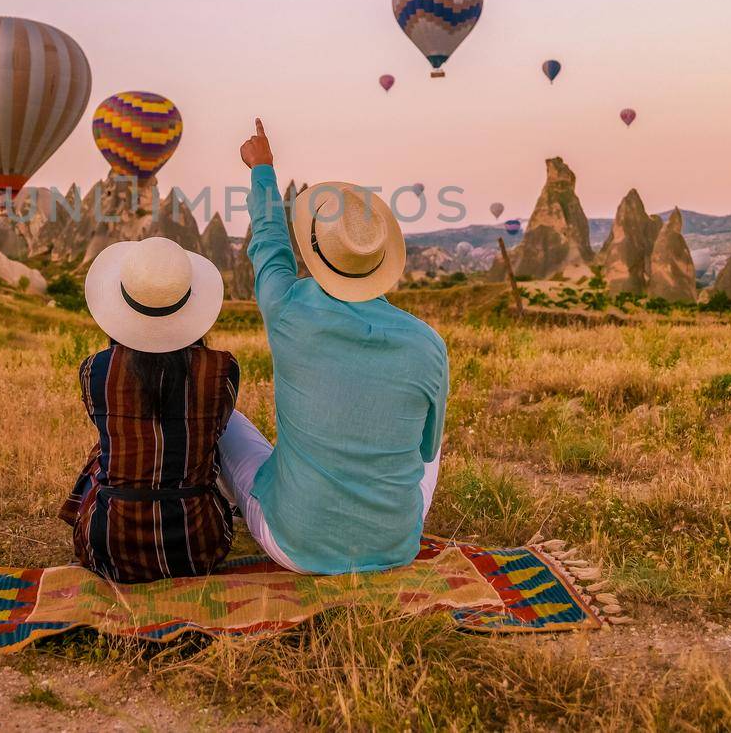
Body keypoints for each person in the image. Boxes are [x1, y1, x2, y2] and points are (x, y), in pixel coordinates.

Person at [218, 119, 448, 574]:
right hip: (395, 545)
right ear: (383, 258)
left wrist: (262, 168)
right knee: (435, 442)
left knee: (225, 420)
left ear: (315, 253)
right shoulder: (428, 343)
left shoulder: (290, 311)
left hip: (295, 544)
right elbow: (424, 452)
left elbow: (269, 248)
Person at [60, 236, 240, 583]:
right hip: (199, 546)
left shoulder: (94, 371)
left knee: (105, 448)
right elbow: (216, 430)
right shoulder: (222, 370)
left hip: (110, 545)